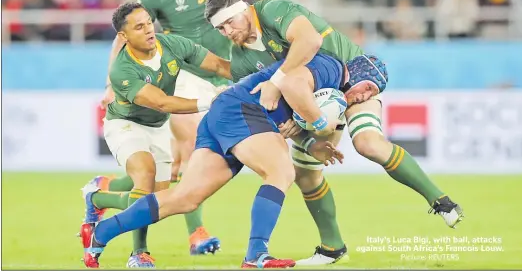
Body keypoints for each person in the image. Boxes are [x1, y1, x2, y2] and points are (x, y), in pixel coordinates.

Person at [81, 52, 388, 269]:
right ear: (359, 74)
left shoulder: (327, 85)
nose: (363, 98)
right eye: (368, 90)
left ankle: (102, 233)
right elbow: (292, 87)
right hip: (242, 111)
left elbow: (284, 118)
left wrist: (309, 142)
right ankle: (256, 255)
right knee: (281, 171)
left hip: (227, 113)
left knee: (185, 198)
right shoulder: (333, 68)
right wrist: (319, 126)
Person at [205, 0, 465, 233]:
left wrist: (276, 82)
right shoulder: (240, 61)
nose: (227, 31)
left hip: (349, 79)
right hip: (314, 105)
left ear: (245, 9)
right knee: (305, 174)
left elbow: (310, 40)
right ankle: (332, 248)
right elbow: (273, 107)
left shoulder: (274, 10)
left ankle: (441, 201)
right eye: (220, 28)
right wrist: (303, 137)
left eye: (230, 21)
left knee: (368, 144)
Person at [98, 0, 285, 255]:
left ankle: (103, 192)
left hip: (230, 73)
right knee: (189, 146)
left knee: (174, 169)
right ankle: (196, 232)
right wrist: (110, 84)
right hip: (184, 75)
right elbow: (123, 36)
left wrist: (275, 29)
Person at [79, 2, 230, 268]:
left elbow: (217, 65)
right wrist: (208, 100)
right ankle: (139, 253)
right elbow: (162, 102)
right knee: (145, 177)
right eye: (139, 27)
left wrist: (254, 73)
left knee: (157, 201)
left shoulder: (172, 44)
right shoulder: (123, 70)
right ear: (124, 37)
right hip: (125, 125)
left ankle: (97, 197)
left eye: (149, 22)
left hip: (157, 127)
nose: (149, 29)